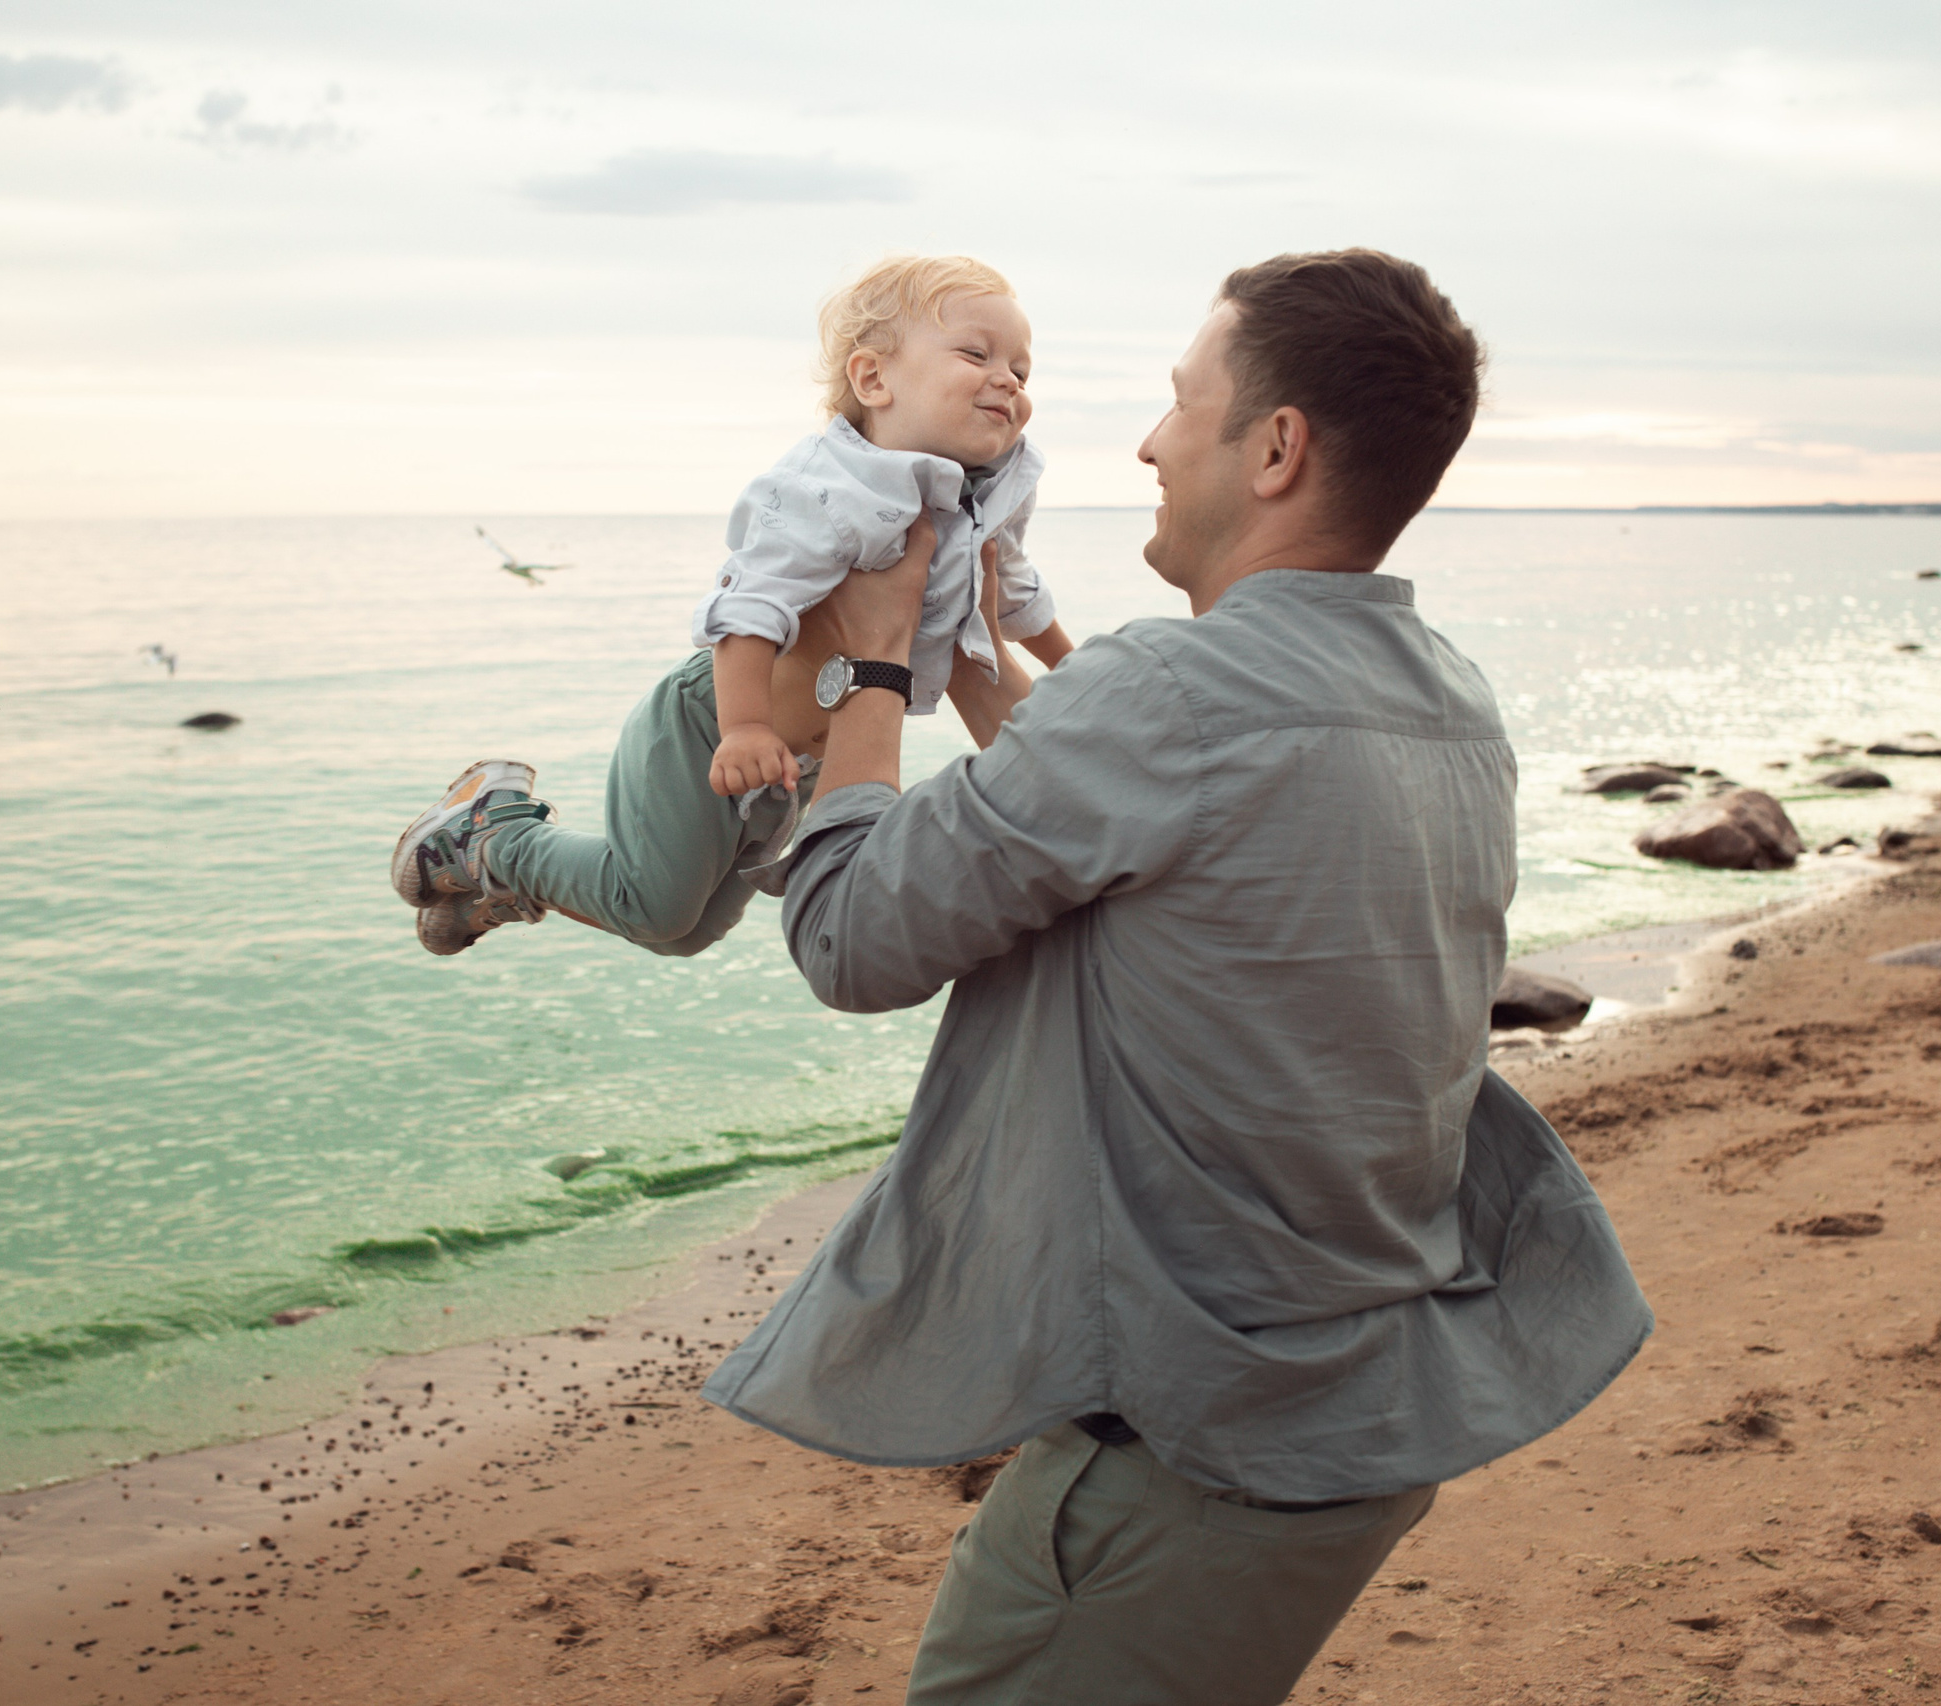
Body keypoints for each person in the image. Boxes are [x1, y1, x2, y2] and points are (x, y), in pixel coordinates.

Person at [701, 249, 1653, 1705]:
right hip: (1371, 1397)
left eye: (1178, 404)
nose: (1144, 445)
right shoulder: (1452, 701)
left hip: (1201, 1448)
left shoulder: (1163, 696)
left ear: (1276, 448)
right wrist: (978, 677)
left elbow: (850, 934)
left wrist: (880, 667)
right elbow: (1127, 822)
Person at [387, 254, 1073, 960]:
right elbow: (748, 605)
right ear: (874, 379)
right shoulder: (828, 488)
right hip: (712, 725)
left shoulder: (985, 494)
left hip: (793, 761)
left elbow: (1012, 588)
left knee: (688, 934)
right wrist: (742, 726)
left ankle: (495, 887)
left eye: (1022, 370)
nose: (1008, 380)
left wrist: (1073, 669)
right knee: (654, 909)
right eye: (976, 354)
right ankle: (496, 831)